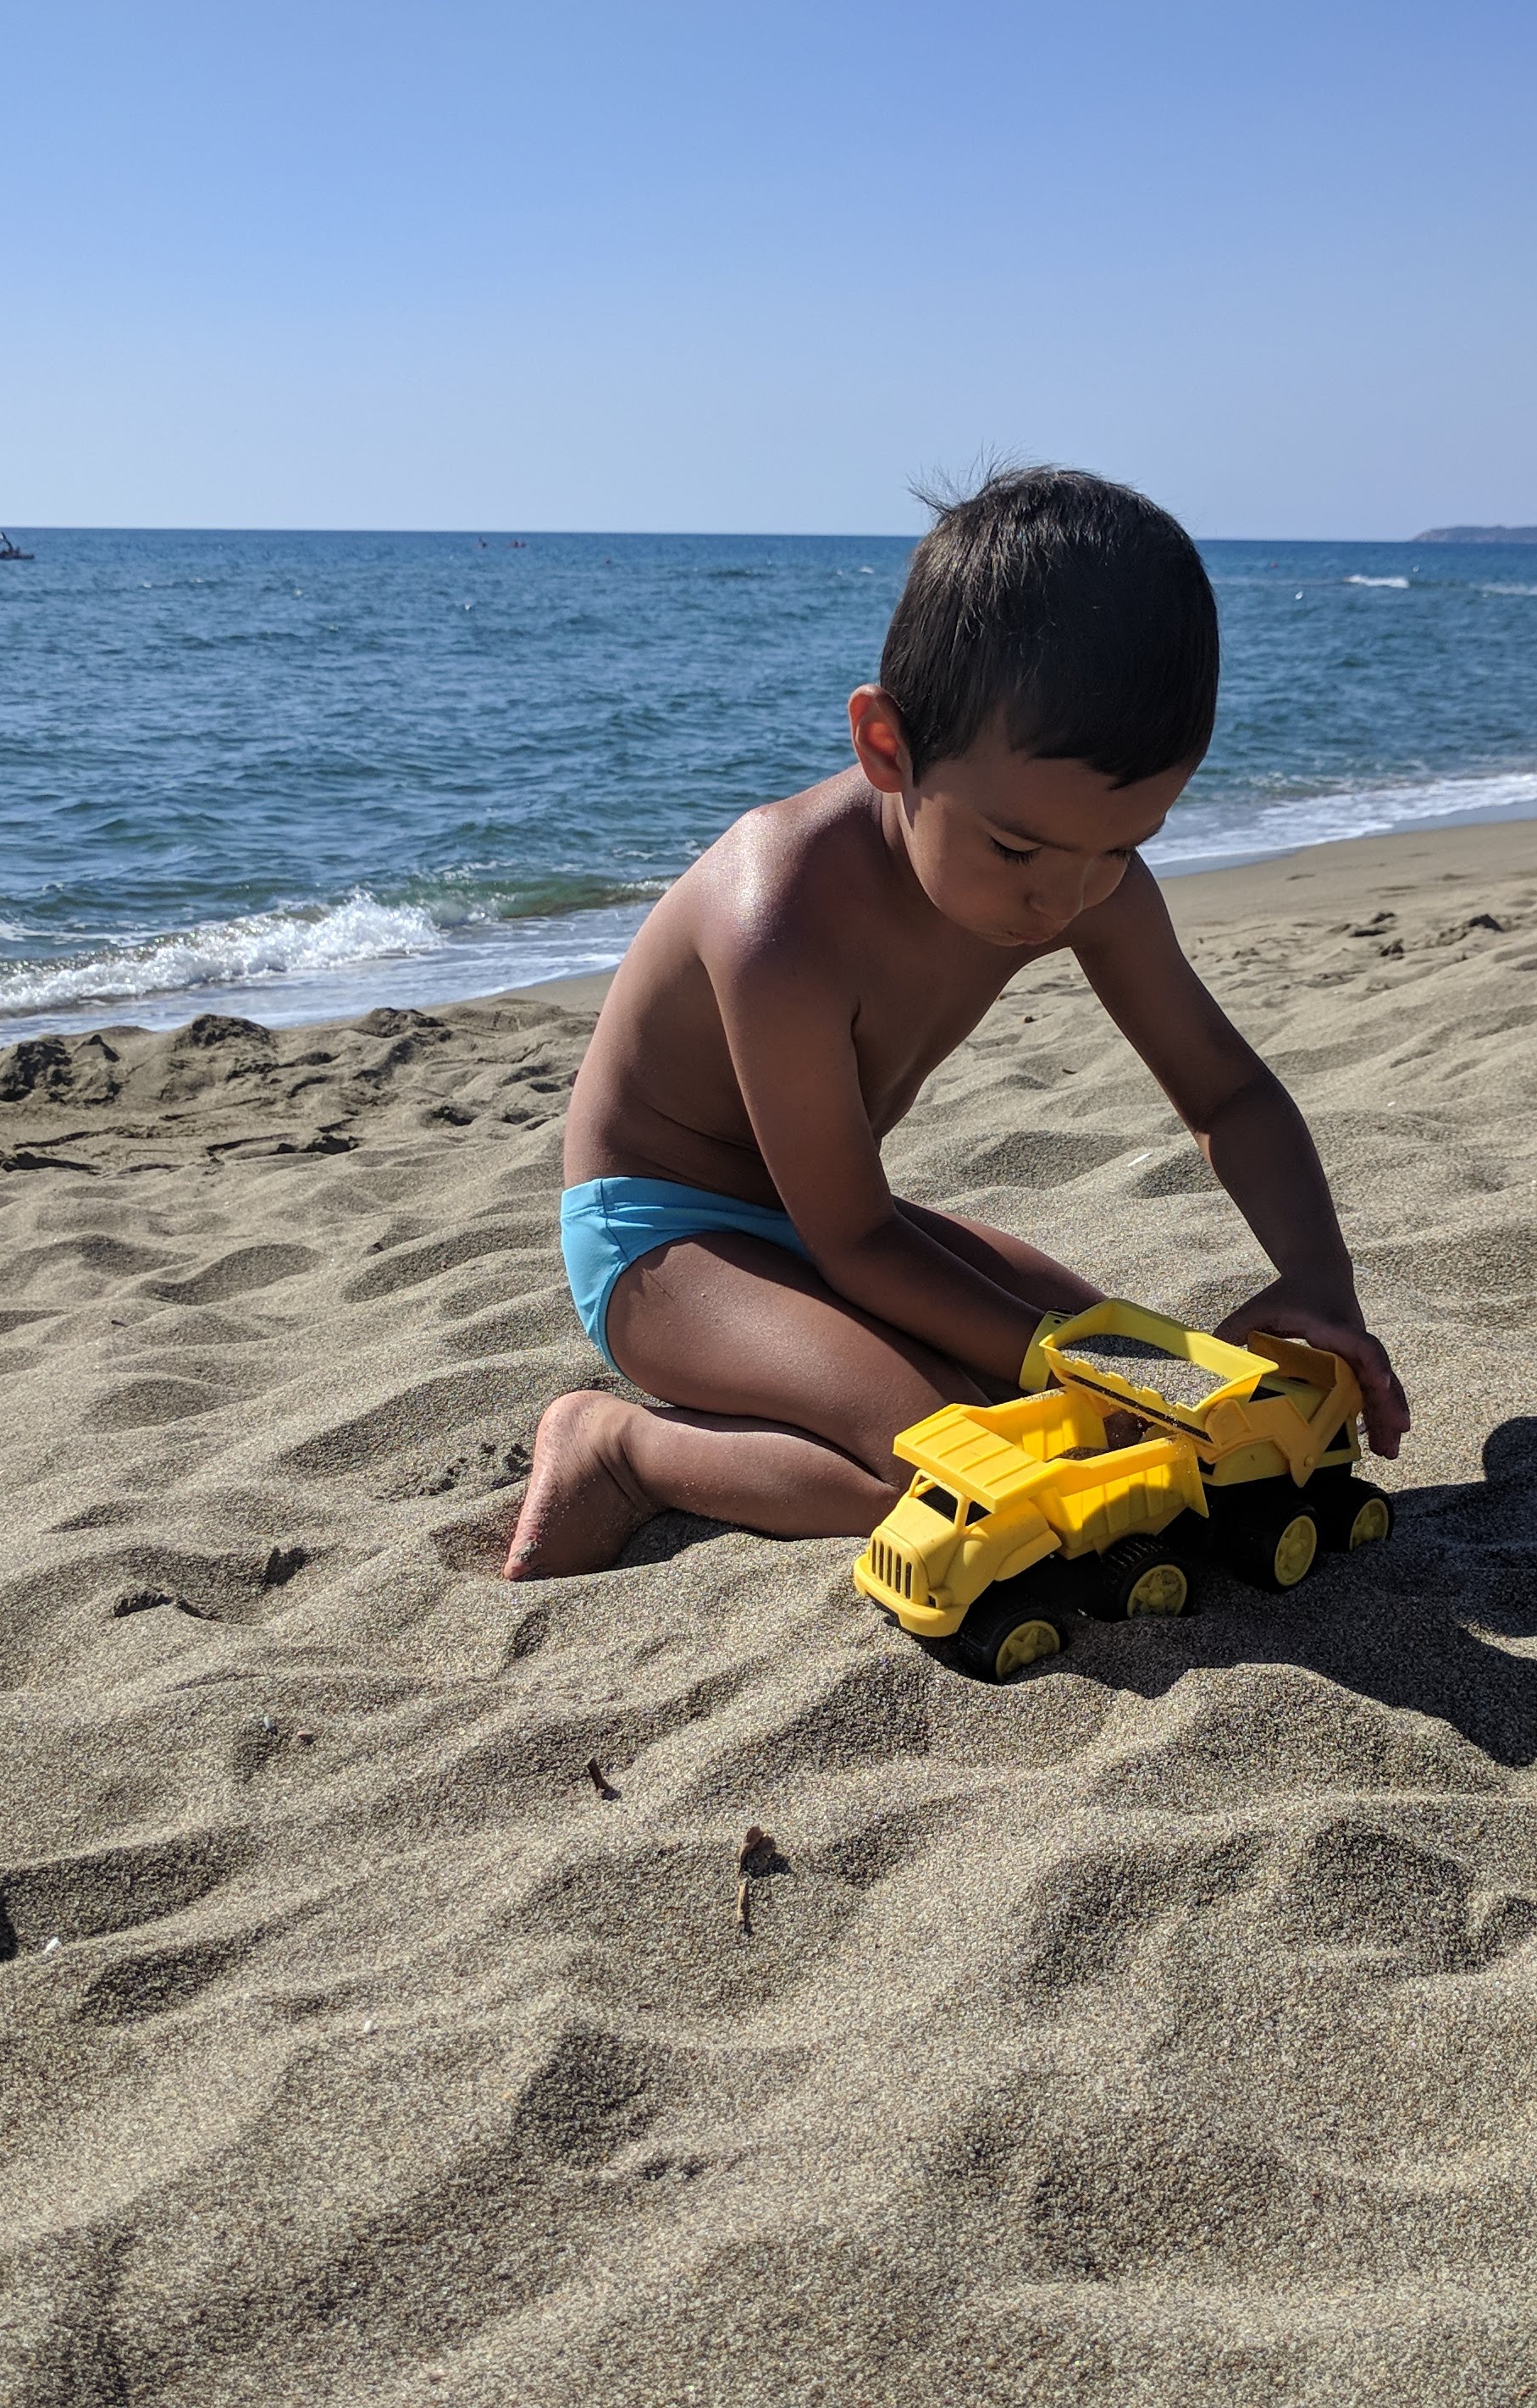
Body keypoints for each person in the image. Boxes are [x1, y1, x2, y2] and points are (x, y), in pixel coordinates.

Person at [506, 466, 1409, 1578]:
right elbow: (853, 1243)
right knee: (957, 1470)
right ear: (889, 748)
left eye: (1124, 845)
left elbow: (1228, 1093)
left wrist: (1319, 1280)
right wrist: (1049, 1364)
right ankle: (625, 1447)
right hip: (667, 1240)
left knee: (1139, 1409)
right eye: (1021, 851)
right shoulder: (777, 916)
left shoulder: (1075, 872)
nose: (1066, 899)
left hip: (842, 1216)